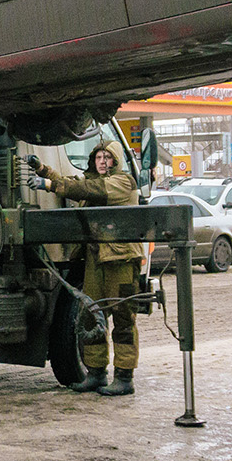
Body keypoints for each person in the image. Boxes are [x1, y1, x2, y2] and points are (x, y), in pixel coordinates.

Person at [27, 145, 141, 396]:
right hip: (96, 259)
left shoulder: (123, 182)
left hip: (121, 260)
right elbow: (72, 183)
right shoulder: (93, 181)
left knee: (123, 319)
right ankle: (96, 373)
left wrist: (48, 185)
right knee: (90, 317)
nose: (102, 161)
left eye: (107, 157)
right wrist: (43, 170)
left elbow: (87, 189)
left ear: (116, 160)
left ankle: (124, 377)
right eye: (98, 157)